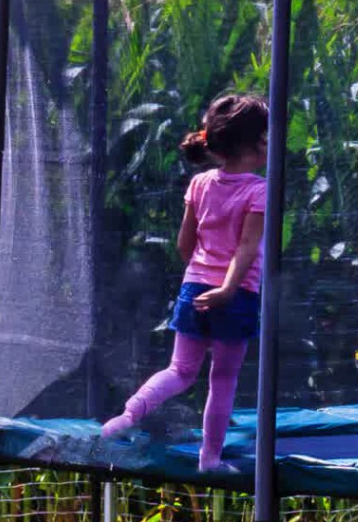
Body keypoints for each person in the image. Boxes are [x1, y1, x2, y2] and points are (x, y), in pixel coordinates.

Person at [101, 94, 268, 470]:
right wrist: (226, 289)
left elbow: (183, 244)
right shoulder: (258, 190)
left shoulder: (200, 183)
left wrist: (200, 275)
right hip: (235, 294)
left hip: (194, 287)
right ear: (257, 143)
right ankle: (210, 458)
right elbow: (246, 247)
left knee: (180, 370)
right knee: (222, 379)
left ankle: (126, 417)